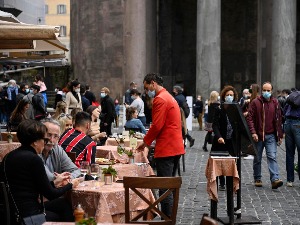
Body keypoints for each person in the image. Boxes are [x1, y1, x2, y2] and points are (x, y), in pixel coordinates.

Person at [0, 119, 81, 223]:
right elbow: (50, 195)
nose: (46, 142)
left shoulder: (8, 156)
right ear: (35, 142)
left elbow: (34, 186)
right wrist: (71, 185)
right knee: (62, 211)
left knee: (63, 204)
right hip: (27, 217)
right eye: (44, 139)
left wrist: (54, 183)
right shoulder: (34, 159)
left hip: (12, 212)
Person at [137, 73, 185, 217]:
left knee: (165, 189)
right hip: (175, 147)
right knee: (170, 186)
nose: (147, 92)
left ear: (153, 83)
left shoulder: (160, 99)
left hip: (167, 149)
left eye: (147, 88)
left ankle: (167, 220)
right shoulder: (169, 96)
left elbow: (157, 125)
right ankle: (170, 218)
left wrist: (145, 142)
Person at [247, 81, 284, 189]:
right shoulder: (255, 102)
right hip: (258, 135)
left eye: (268, 90)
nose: (266, 92)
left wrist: (280, 135)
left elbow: (279, 119)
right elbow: (249, 118)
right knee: (257, 158)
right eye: (264, 90)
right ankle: (257, 178)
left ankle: (275, 179)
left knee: (272, 156)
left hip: (271, 135)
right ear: (261, 90)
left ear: (271, 91)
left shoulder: (276, 103)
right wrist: (253, 132)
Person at [211, 86, 238, 190]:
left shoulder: (235, 108)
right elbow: (215, 124)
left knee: (231, 161)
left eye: (231, 95)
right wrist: (219, 136)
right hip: (221, 140)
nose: (230, 97)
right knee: (220, 161)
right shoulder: (219, 109)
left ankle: (230, 182)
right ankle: (221, 182)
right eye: (228, 95)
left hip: (232, 140)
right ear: (223, 96)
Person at [283, 92, 300, 187]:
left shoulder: (291, 97)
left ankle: (290, 180)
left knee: (289, 153)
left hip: (287, 124)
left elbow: (284, 111)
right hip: (298, 124)